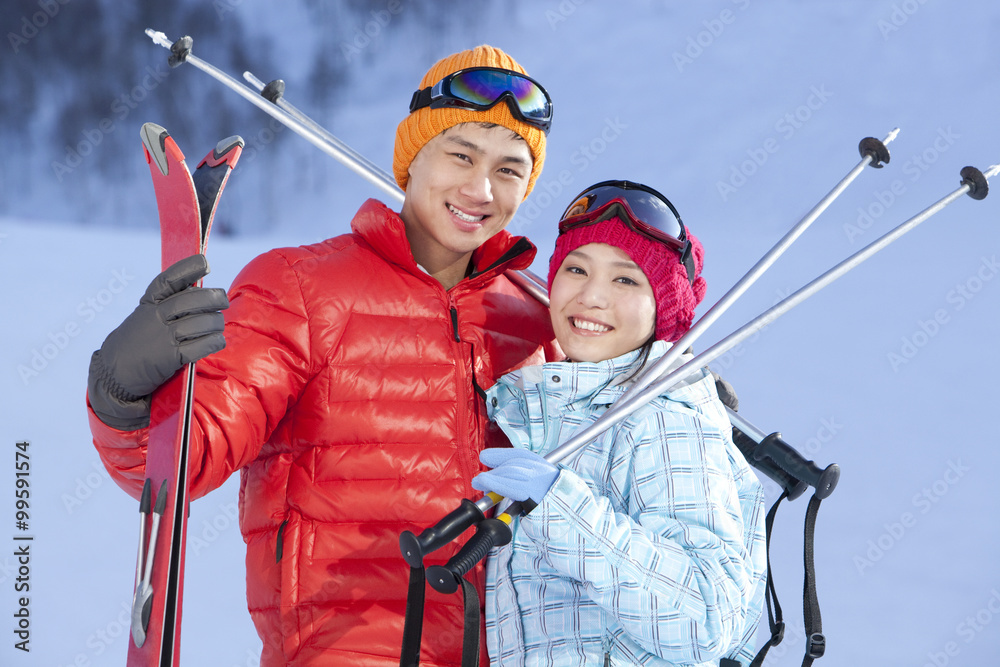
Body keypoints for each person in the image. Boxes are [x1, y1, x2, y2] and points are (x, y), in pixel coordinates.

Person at [86, 46, 561, 666]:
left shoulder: (542, 322)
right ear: (413, 158)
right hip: (351, 647)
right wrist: (120, 393)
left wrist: (681, 422)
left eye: (509, 169)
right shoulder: (303, 287)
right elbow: (183, 459)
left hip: (518, 649)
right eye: (462, 155)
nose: (480, 188)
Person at [470, 180, 768, 666]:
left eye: (625, 279)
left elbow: (708, 617)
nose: (591, 296)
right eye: (576, 269)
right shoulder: (558, 412)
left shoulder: (668, 417)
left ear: (663, 308)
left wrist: (563, 513)